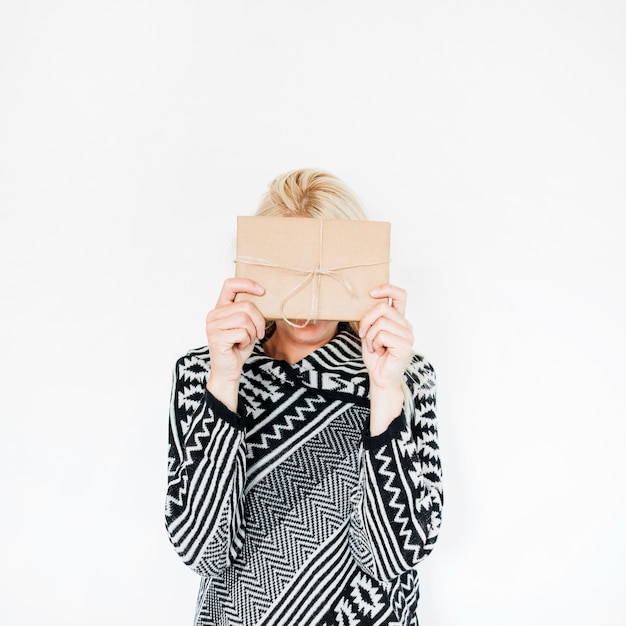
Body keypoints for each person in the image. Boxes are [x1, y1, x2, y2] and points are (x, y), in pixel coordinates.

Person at [165, 169, 443, 626]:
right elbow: (201, 549)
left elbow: (397, 553)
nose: (308, 296)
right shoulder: (202, 372)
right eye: (289, 269)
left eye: (327, 274)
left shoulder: (407, 376)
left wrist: (385, 389)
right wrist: (225, 377)